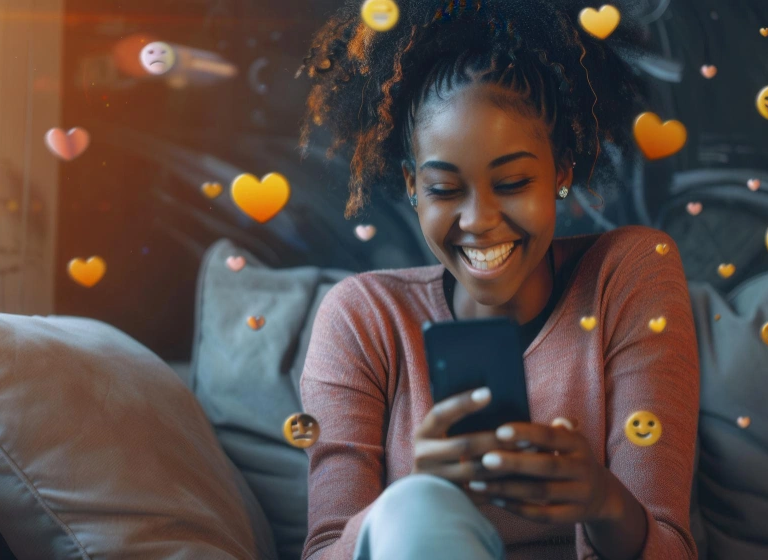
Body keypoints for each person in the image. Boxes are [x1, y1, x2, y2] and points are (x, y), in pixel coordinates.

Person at [295, 1, 700, 559]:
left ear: (561, 170)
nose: (478, 221)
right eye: (443, 190)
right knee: (414, 511)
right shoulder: (363, 319)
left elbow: (671, 548)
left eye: (511, 182)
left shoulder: (627, 276)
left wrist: (603, 501)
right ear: (412, 185)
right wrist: (417, 489)